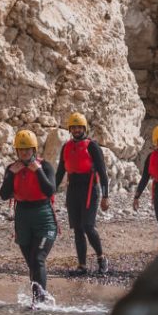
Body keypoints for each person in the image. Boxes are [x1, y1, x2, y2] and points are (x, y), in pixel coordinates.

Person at [0, 129, 60, 304]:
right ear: (16, 151)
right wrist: (11, 174)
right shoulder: (11, 168)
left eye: (28, 150)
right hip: (23, 217)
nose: (24, 153)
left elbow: (50, 190)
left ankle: (40, 301)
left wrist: (38, 171)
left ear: (34, 150)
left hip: (44, 217)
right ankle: (36, 299)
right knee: (31, 263)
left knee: (38, 259)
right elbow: (4, 194)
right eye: (21, 150)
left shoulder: (45, 166)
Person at [56, 112, 111, 275]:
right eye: (74, 127)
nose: (77, 130)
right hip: (73, 189)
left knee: (88, 226)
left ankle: (101, 258)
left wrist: (105, 196)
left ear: (84, 128)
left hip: (89, 189)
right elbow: (60, 173)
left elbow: (102, 171)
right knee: (78, 229)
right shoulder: (66, 147)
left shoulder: (92, 145)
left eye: (79, 127)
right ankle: (82, 265)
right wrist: (49, 192)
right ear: (70, 129)